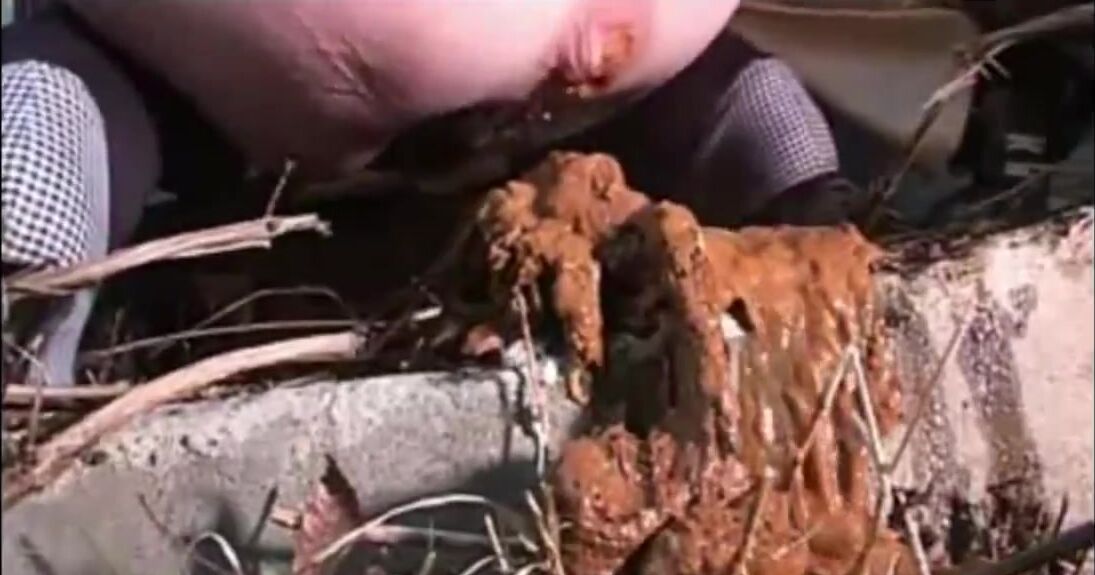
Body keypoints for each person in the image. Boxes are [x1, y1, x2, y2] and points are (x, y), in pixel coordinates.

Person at [0, 0, 852, 387]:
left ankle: (837, 271)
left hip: (652, 98)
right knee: (40, 182)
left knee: (781, 172)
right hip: (197, 99)